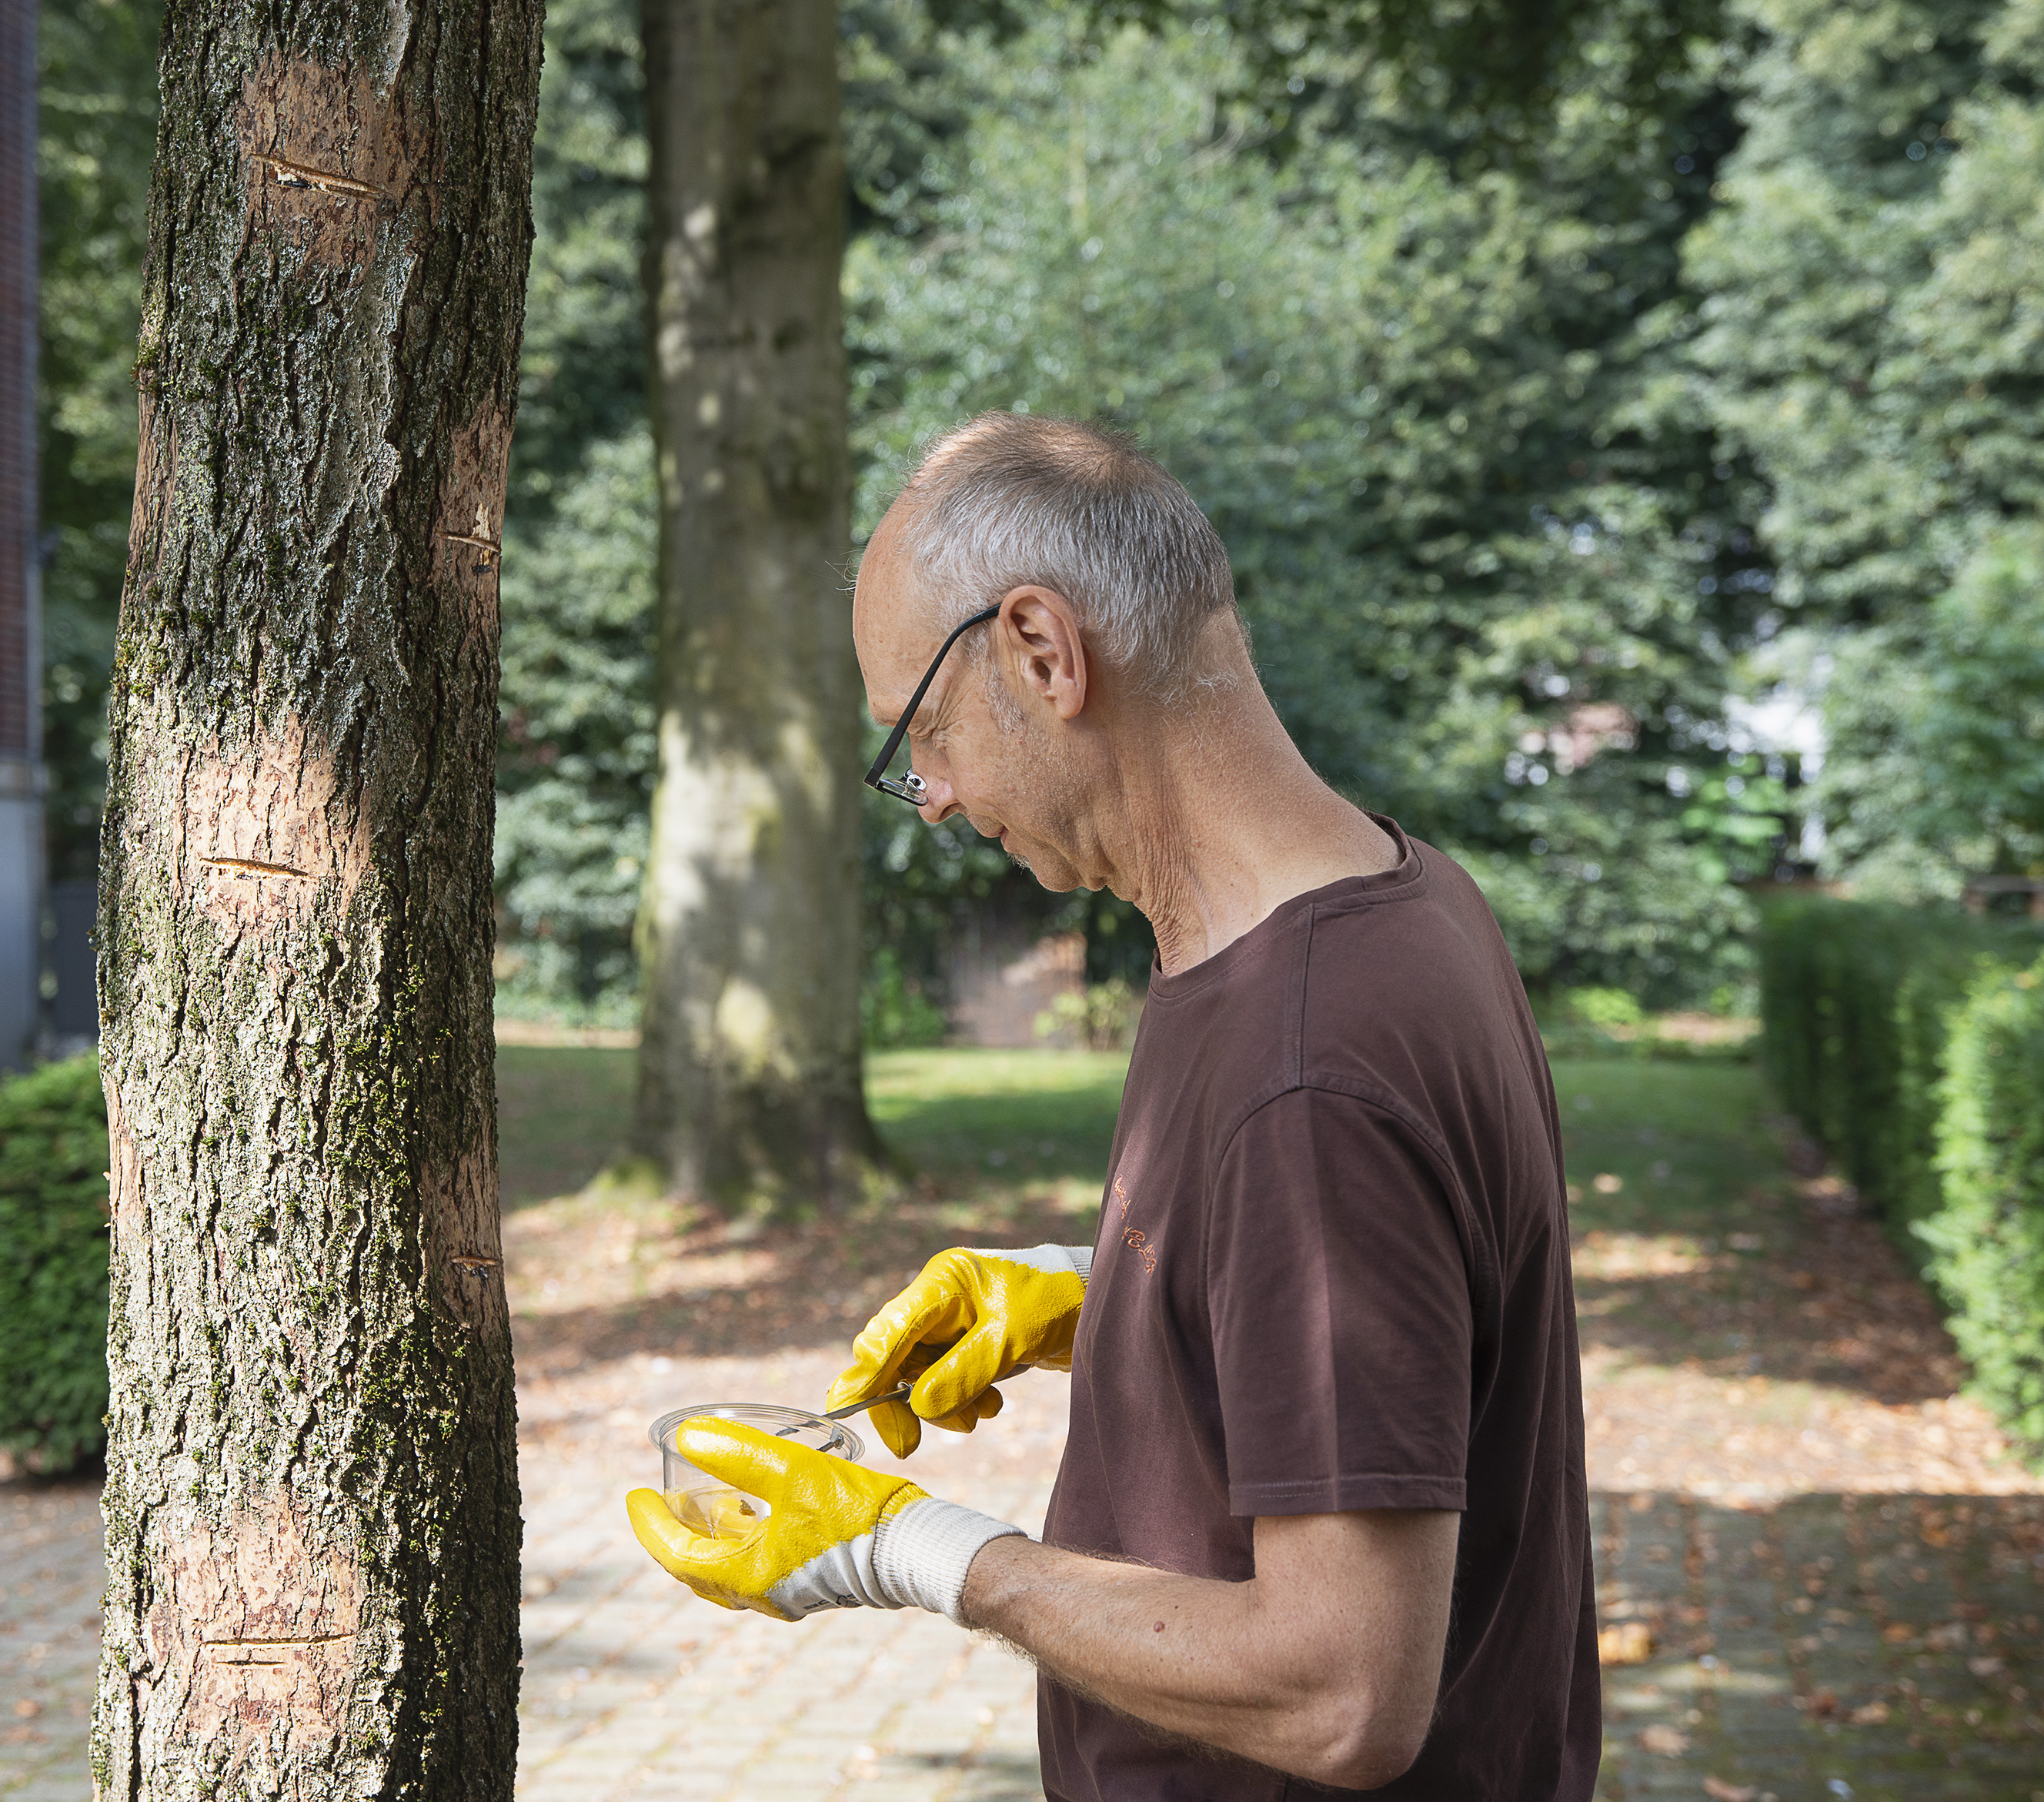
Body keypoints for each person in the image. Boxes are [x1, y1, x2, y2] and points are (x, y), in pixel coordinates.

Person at [625, 413, 1597, 1799]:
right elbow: (1404, 1315)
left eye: (922, 730)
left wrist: (914, 1551)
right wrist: (1096, 1298)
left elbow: (1342, 1691)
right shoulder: (1395, 898)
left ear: (1042, 649)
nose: (936, 798)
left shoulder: (1306, 1065)